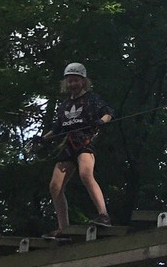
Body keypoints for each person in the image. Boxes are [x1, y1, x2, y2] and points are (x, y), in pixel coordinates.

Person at [40, 62, 114, 238]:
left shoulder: (92, 99)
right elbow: (57, 128)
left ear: (83, 81)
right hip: (68, 145)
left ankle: (103, 215)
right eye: (70, 81)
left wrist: (101, 122)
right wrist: (42, 139)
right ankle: (63, 228)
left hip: (85, 141)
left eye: (76, 80)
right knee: (55, 186)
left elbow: (108, 112)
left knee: (85, 174)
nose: (72, 84)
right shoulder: (64, 105)